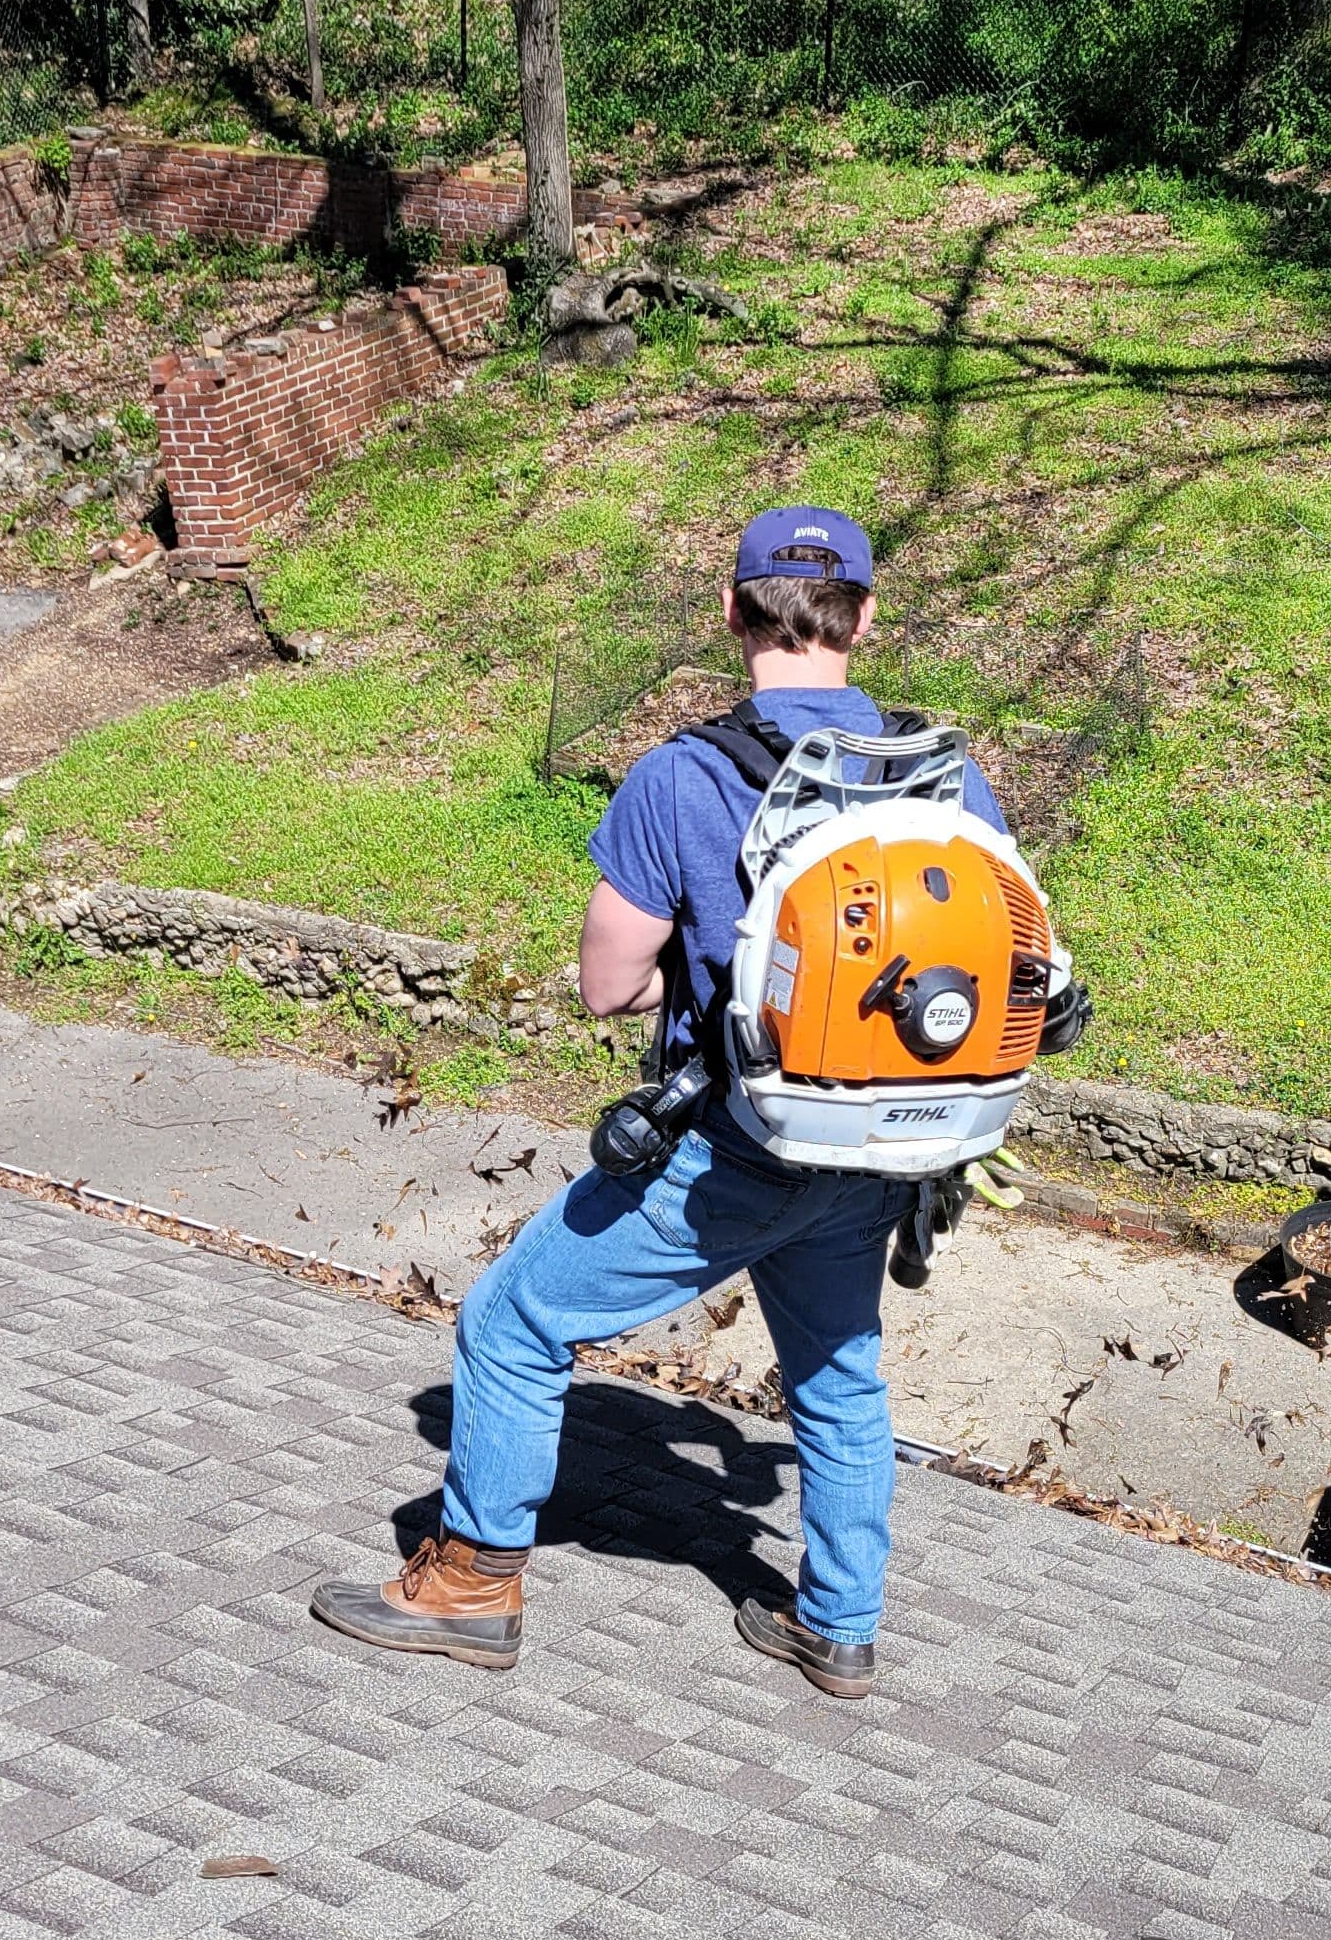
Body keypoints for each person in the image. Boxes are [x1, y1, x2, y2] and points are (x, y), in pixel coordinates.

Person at [311, 505, 1011, 1702]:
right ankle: (837, 1625)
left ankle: (472, 1586)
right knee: (839, 1382)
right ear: (867, 617)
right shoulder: (948, 778)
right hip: (885, 1149)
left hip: (730, 1155)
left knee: (515, 1326)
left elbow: (607, 984)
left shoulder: (685, 776)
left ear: (732, 611)